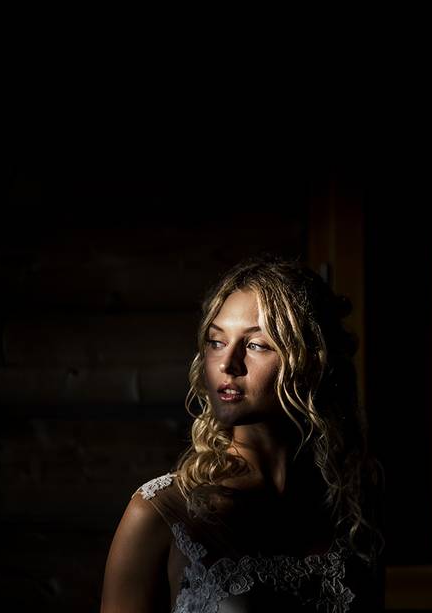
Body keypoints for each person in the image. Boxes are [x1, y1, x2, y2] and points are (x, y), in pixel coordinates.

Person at [100, 255, 383, 612]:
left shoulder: (352, 511)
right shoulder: (160, 512)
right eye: (216, 342)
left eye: (255, 345)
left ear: (310, 361)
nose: (227, 364)